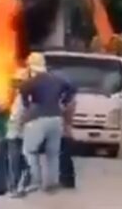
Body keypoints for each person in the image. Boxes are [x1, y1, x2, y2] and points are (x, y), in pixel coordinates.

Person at [20, 52, 76, 194]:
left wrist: (27, 105)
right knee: (53, 153)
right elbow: (72, 88)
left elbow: (23, 91)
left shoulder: (32, 81)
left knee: (29, 150)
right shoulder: (56, 79)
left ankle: (36, 179)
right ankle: (51, 183)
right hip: (56, 119)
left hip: (38, 119)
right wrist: (63, 102)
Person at [6, 80, 31, 198]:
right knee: (23, 162)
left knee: (15, 163)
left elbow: (16, 117)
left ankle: (15, 187)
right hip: (23, 135)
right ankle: (21, 186)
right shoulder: (29, 98)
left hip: (16, 135)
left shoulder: (21, 99)